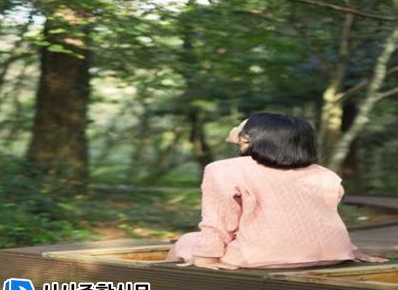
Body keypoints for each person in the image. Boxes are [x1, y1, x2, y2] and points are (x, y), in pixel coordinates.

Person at [165, 112, 389, 270]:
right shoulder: (324, 174)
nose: (236, 129)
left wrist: (206, 259)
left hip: (263, 257)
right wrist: (351, 251)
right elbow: (320, 219)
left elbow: (219, 222)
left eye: (241, 127)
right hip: (333, 254)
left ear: (248, 138)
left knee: (187, 241)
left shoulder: (223, 169)